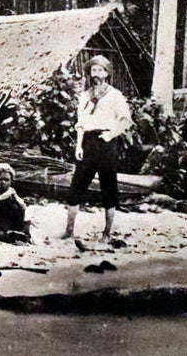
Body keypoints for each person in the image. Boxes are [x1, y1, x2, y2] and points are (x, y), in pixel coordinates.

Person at [63, 55, 133, 241]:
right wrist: (79, 145)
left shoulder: (115, 96)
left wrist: (111, 135)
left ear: (107, 73)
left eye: (101, 70)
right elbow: (81, 123)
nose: (97, 74)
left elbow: (126, 120)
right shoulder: (85, 96)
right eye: (94, 70)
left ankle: (107, 233)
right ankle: (69, 230)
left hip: (107, 143)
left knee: (108, 186)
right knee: (77, 185)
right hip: (88, 142)